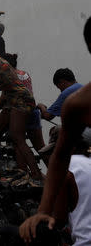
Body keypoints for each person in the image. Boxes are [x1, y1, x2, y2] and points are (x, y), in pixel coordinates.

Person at [19, 17, 91, 243]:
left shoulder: (73, 99)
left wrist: (40, 107)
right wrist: (43, 210)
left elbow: (48, 117)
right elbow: (59, 157)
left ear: (61, 83)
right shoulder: (78, 102)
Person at [0, 38, 42, 181]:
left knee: (17, 137)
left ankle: (36, 174)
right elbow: (6, 82)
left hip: (19, 99)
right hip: (14, 98)